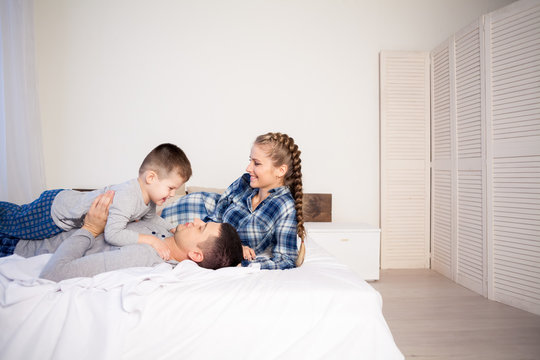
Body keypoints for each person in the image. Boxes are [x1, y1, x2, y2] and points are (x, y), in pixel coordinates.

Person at [0, 143, 191, 260]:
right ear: (151, 178)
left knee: (21, 236)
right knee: (12, 221)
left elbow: (151, 220)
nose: (173, 194)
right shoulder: (127, 197)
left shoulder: (149, 200)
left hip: (67, 218)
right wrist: (152, 240)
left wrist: (171, 228)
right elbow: (113, 234)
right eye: (171, 188)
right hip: (55, 210)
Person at [8, 191, 243, 282]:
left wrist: (89, 230)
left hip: (22, 240)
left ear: (195, 254)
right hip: (47, 213)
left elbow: (54, 273)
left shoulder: (144, 255)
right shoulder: (164, 231)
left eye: (202, 228)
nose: (197, 220)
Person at [162, 132, 305, 270]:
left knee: (153, 237)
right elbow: (215, 220)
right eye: (250, 160)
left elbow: (286, 259)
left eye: (257, 163)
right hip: (198, 209)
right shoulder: (244, 182)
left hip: (199, 233)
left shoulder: (284, 207)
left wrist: (241, 261)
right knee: (148, 220)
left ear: (280, 171)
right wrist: (235, 247)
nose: (248, 168)